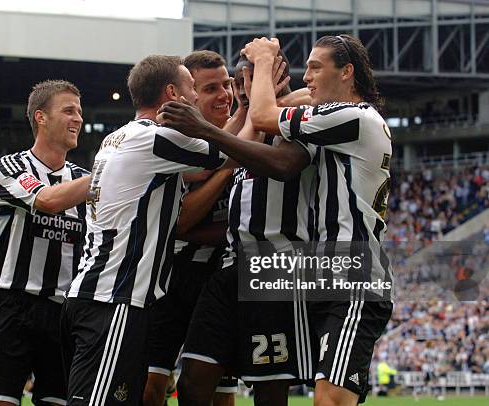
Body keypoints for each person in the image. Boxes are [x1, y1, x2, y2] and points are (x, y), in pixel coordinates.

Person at [159, 34, 393, 406]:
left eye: (316, 69)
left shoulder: (338, 119)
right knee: (193, 382)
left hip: (301, 269)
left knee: (291, 393)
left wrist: (264, 63)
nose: (309, 78)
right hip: (263, 269)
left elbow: (278, 146)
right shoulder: (323, 119)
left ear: (347, 72)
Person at [61, 55, 229, 406]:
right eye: (192, 89)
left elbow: (197, 172)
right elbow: (224, 152)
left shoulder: (119, 138)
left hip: (103, 295)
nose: (197, 98)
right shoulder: (155, 139)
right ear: (173, 93)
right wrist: (250, 107)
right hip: (115, 299)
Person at [0, 79, 91, 406]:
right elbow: (46, 201)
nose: (78, 119)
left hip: (63, 313)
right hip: (13, 305)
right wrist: (109, 170)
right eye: (68, 110)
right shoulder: (10, 167)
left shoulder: (83, 179)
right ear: (40, 117)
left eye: (80, 112)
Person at [143, 50, 239, 406]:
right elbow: (180, 221)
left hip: (219, 277)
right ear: (189, 95)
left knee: (219, 392)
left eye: (227, 85)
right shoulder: (166, 142)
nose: (225, 95)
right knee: (150, 388)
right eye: (211, 88)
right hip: (171, 277)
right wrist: (229, 166)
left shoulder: (248, 136)